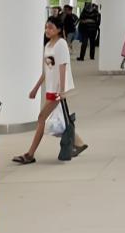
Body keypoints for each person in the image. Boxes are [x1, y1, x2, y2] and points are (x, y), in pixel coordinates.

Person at [12, 16, 88, 164]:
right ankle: (79, 143)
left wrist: (62, 90)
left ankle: (30, 154)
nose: (47, 30)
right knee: (61, 121)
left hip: (57, 91)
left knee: (42, 118)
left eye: (51, 27)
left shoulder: (61, 44)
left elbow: (63, 67)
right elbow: (47, 70)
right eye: (46, 27)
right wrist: (35, 88)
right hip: (51, 89)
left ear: (58, 29)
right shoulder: (48, 46)